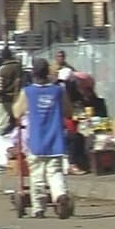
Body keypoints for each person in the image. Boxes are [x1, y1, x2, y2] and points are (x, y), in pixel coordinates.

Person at [13, 57, 72, 218]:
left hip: (36, 141)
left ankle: (38, 208)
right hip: (55, 140)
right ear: (47, 73)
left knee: (37, 175)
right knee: (55, 173)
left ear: (33, 73)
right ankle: (60, 195)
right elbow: (68, 111)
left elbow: (17, 112)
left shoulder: (28, 92)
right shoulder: (59, 90)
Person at [0, 46, 25, 138]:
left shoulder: (1, 70)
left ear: (2, 57)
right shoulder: (18, 67)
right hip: (18, 100)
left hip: (4, 101)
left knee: (2, 125)